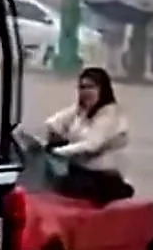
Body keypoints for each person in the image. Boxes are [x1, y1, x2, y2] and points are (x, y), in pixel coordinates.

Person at [43, 66, 134, 203]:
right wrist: (53, 138)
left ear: (102, 89)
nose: (85, 92)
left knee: (60, 185)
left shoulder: (110, 114)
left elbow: (92, 145)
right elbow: (52, 123)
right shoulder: (81, 110)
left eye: (91, 87)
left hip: (102, 177)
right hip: (79, 170)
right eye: (82, 87)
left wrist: (59, 152)